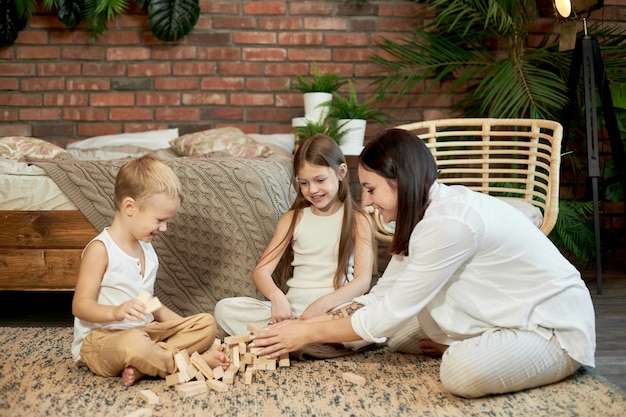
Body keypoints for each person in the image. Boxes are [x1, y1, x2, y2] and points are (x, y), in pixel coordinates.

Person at [250, 128, 596, 398]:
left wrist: (306, 332)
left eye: (371, 190)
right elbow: (383, 293)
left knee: (458, 372)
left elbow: (385, 315)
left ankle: (470, 349)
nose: (367, 203)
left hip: (551, 329)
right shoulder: (421, 215)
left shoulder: (448, 224)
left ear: (399, 182)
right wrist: (314, 319)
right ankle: (470, 342)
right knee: (401, 338)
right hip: (504, 313)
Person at [71, 154, 229, 387]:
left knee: (206, 323)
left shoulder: (147, 250)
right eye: (159, 220)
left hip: (146, 332)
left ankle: (146, 365)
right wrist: (116, 311)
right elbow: (80, 305)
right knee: (134, 344)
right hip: (103, 341)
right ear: (130, 207)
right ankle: (190, 365)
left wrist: (182, 325)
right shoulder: (101, 250)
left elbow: (148, 301)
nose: (163, 228)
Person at [214, 133, 374, 338]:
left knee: (369, 315)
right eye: (304, 183)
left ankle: (294, 337)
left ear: (341, 172)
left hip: (333, 310)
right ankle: (303, 337)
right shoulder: (293, 219)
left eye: (320, 180)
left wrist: (321, 305)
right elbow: (261, 271)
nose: (312, 189)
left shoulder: (359, 220)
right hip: (293, 311)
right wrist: (276, 297)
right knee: (225, 308)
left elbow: (362, 281)